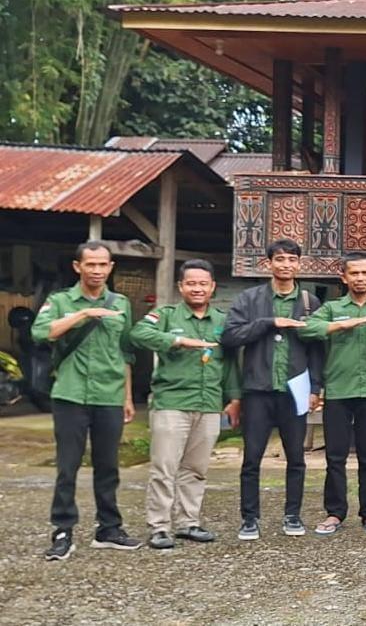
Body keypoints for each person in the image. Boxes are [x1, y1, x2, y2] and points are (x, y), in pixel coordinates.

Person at [34, 241, 140, 558]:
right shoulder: (60, 300)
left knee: (108, 466)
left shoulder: (120, 303)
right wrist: (82, 313)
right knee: (68, 467)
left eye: (102, 264)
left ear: (110, 267)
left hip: (109, 395)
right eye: (90, 264)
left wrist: (128, 397)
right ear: (77, 267)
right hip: (70, 394)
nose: (96, 270)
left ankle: (108, 528)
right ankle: (63, 530)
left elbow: (125, 353)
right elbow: (42, 333)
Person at [129, 259, 238, 550]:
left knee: (196, 468)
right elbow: (138, 334)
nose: (197, 288)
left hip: (208, 404)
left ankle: (189, 522)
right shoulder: (165, 315)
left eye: (203, 283)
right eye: (191, 283)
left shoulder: (222, 321)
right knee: (164, 468)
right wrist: (177, 340)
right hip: (172, 403)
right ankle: (159, 527)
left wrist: (234, 398)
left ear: (213, 286)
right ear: (181, 286)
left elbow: (229, 365)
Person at [221, 238, 322, 541]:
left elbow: (318, 349)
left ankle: (292, 515)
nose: (286, 265)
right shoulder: (249, 300)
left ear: (299, 264)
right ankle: (249, 518)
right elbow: (229, 337)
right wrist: (267, 323)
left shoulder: (309, 302)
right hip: (258, 390)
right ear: (269, 264)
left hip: (295, 390)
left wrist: (316, 387)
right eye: (280, 259)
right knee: (252, 457)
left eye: (292, 259)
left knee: (296, 457)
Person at [300, 252, 366, 535]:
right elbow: (308, 329)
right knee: (335, 456)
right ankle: (335, 512)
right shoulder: (331, 308)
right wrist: (342, 324)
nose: (360, 278)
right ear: (344, 277)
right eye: (354, 273)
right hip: (338, 391)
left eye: (365, 273)